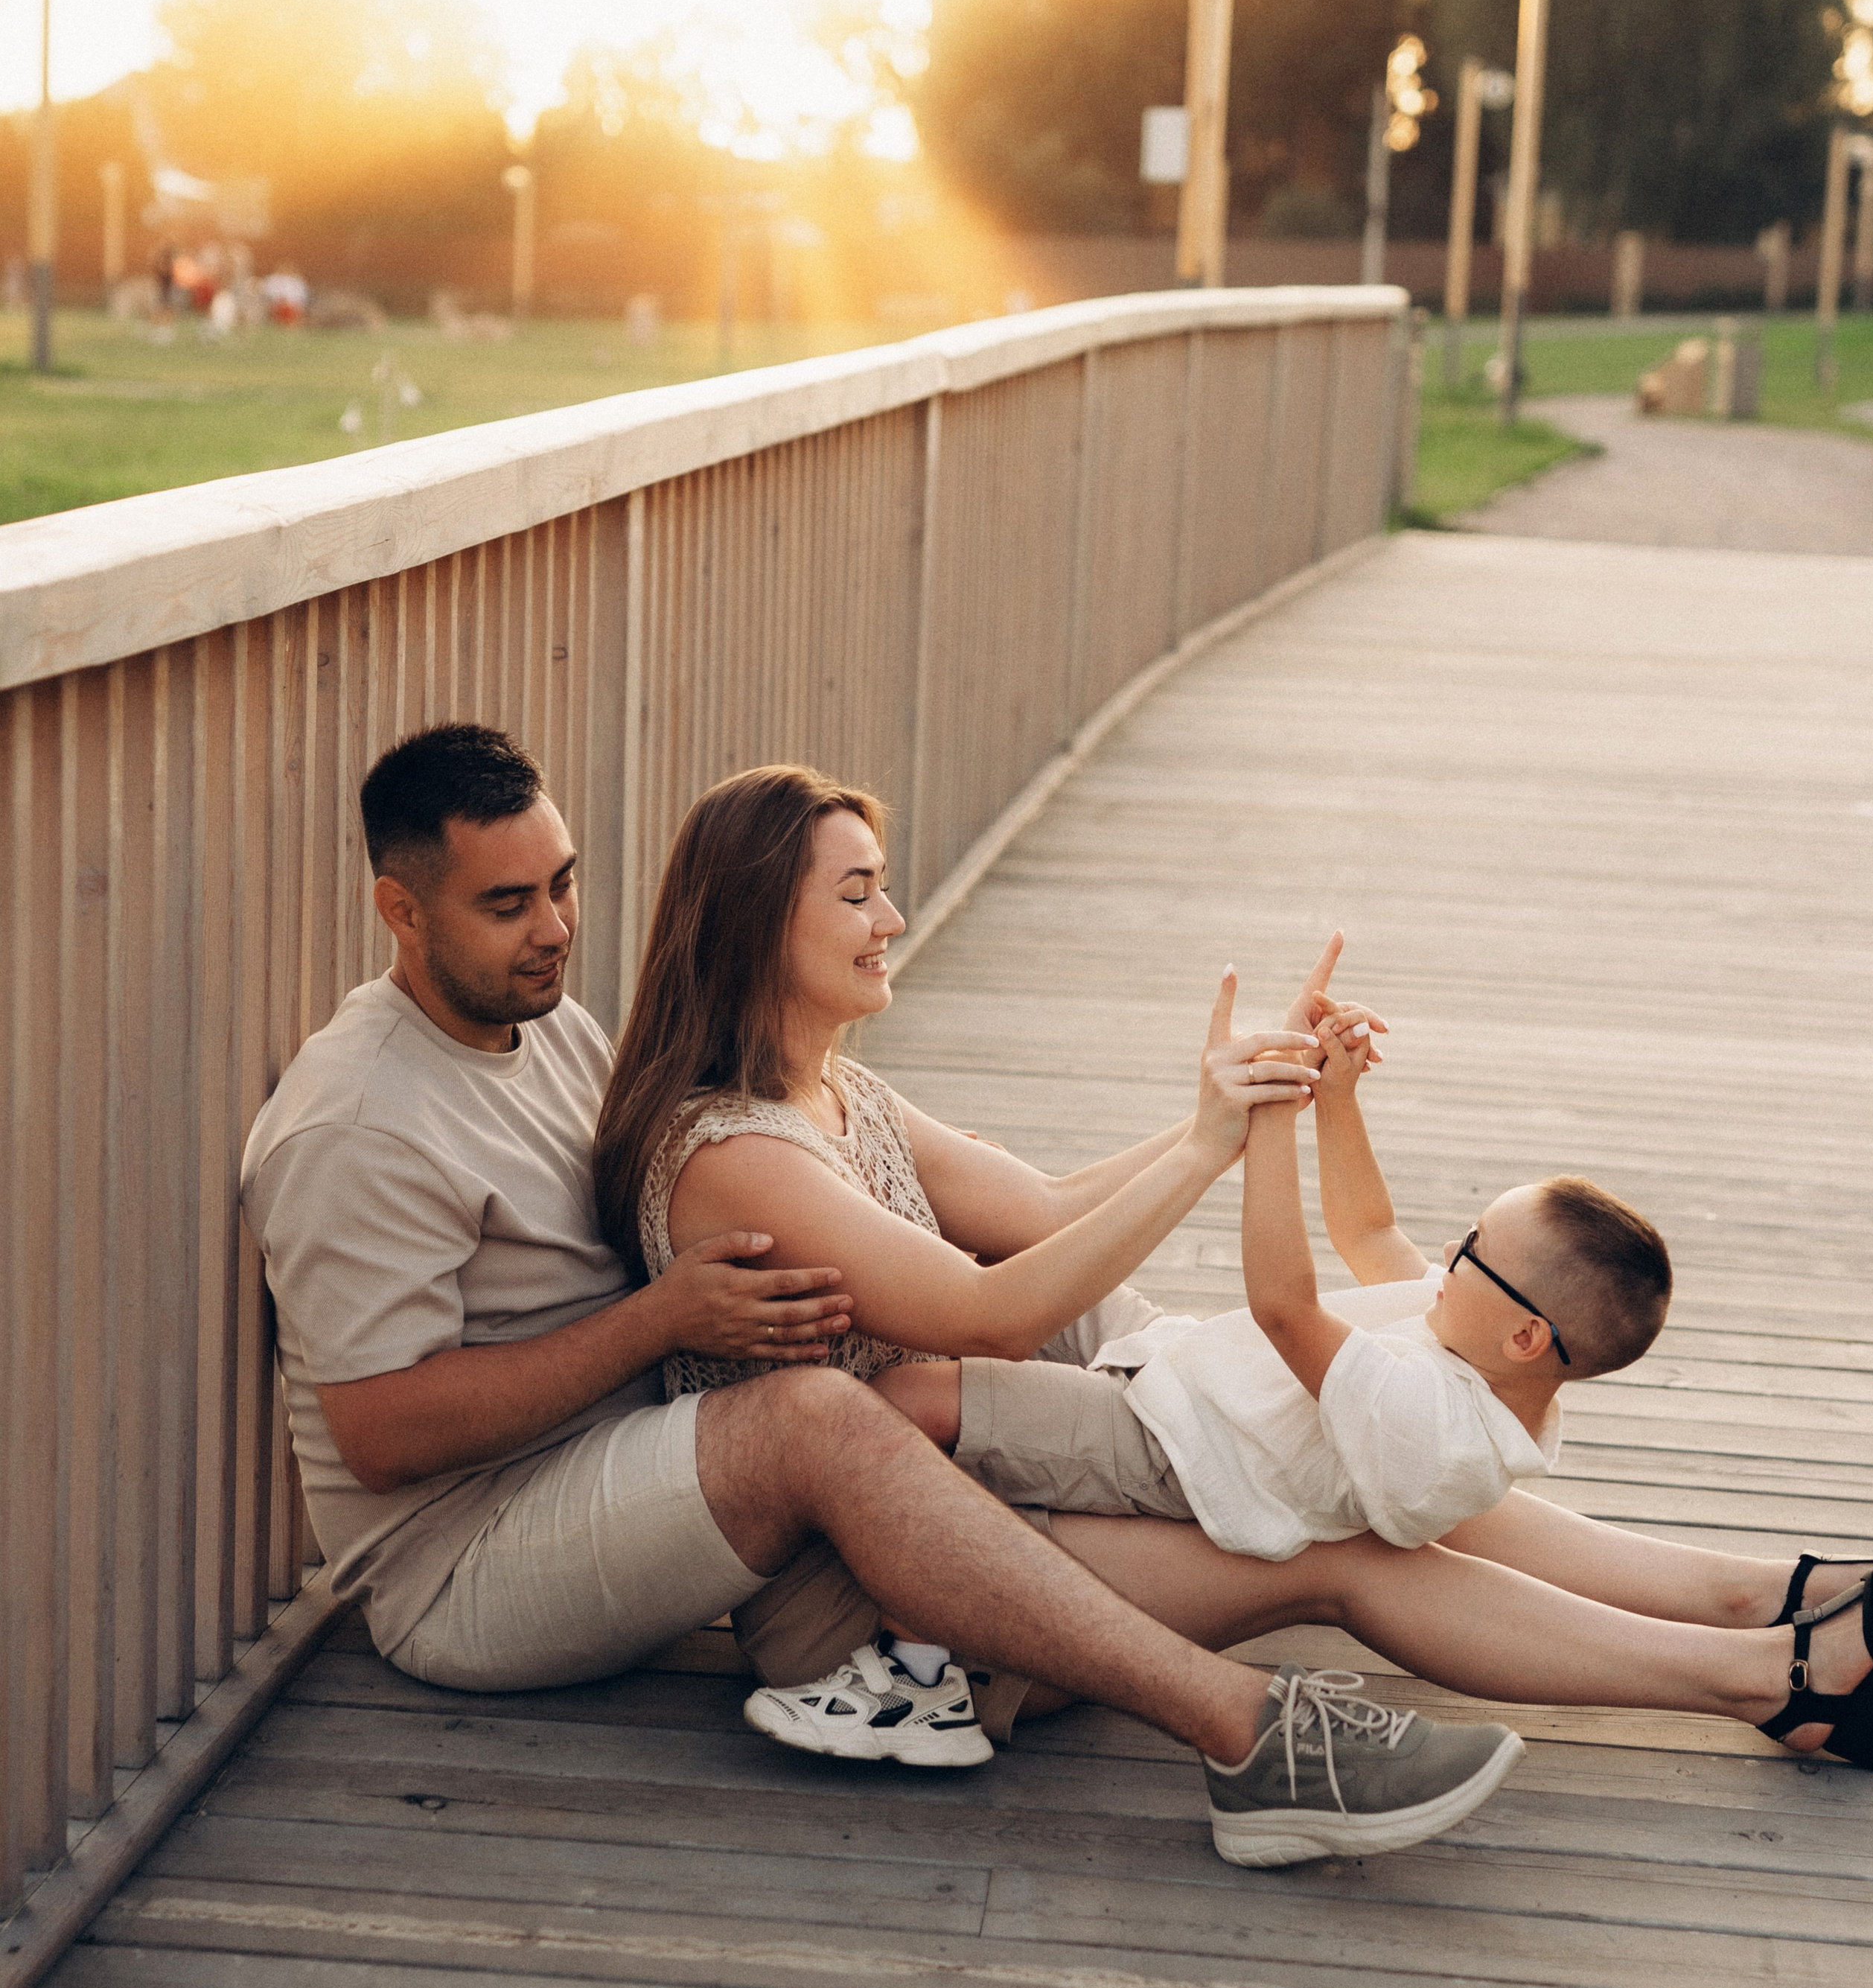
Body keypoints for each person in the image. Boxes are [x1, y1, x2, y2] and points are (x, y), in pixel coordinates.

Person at [240, 723, 1527, 1874]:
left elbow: (1032, 1221)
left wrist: (1228, 1117)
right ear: (399, 913)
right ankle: (1244, 1732)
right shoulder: (357, 1122)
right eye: (508, 903)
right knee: (822, 1413)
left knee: (1053, 1338)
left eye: (566, 884)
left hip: (636, 1466)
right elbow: (378, 1434)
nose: (558, 929)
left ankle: (1356, 1496)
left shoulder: (548, 1022)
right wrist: (660, 1322)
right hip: (468, 1563)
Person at [599, 767, 1873, 1776]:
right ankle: (1770, 1678)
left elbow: (1048, 1206)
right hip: (881, 1600)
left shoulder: (844, 1092)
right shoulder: (732, 1153)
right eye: (856, 893)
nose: (890, 917)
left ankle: (1768, 1601)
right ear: (758, 915)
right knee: (1341, 1541)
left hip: (970, 1487)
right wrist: (1231, 1138)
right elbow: (993, 1305)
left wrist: (1251, 1094)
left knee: (1346, 1439)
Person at [877, 987, 1672, 1569]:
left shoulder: (1430, 1429)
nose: (1448, 1251)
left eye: (1471, 1247)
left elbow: (1283, 1307)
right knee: (1005, 1252)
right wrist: (1334, 1095)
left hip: (1168, 1444)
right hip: (1171, 1362)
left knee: (910, 1402)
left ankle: (910, 1652)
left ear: (1527, 1334)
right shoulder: (1479, 1339)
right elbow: (1368, 1229)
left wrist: (1271, 1126)